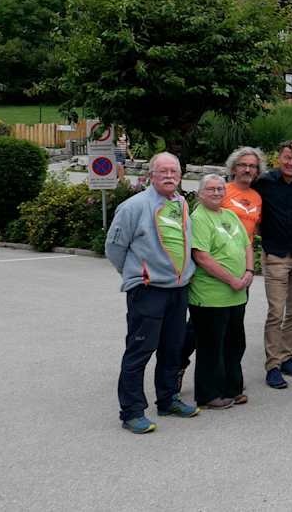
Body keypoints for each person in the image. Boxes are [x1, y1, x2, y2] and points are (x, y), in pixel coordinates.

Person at [106, 152, 201, 434]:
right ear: (151, 175)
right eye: (163, 171)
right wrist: (136, 274)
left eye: (174, 171)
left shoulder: (181, 203)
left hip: (177, 290)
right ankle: (132, 412)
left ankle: (167, 399)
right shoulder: (133, 206)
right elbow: (114, 247)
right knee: (140, 351)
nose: (170, 176)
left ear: (181, 175)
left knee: (172, 349)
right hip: (148, 291)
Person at [176, 146, 265, 392]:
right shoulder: (221, 195)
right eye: (243, 165)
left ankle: (228, 381)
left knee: (231, 334)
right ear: (233, 167)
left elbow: (250, 235)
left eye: (253, 166)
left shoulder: (257, 197)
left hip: (239, 275)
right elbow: (202, 243)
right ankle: (178, 365)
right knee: (201, 332)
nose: (248, 169)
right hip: (214, 280)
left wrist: (248, 270)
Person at [187, 174, 252, 410]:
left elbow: (246, 245)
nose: (216, 193)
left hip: (236, 294)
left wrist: (249, 270)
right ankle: (209, 394)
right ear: (200, 193)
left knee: (235, 343)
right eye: (211, 189)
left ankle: (232, 389)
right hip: (211, 296)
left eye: (220, 189)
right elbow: (201, 257)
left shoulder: (230, 215)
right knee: (211, 347)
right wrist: (232, 280)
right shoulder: (199, 218)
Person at [253, 140, 292, 389]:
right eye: (287, 157)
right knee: (276, 312)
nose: (291, 163)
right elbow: (251, 211)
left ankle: (287, 357)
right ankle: (273, 365)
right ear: (280, 157)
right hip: (276, 256)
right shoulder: (265, 182)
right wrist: (261, 236)